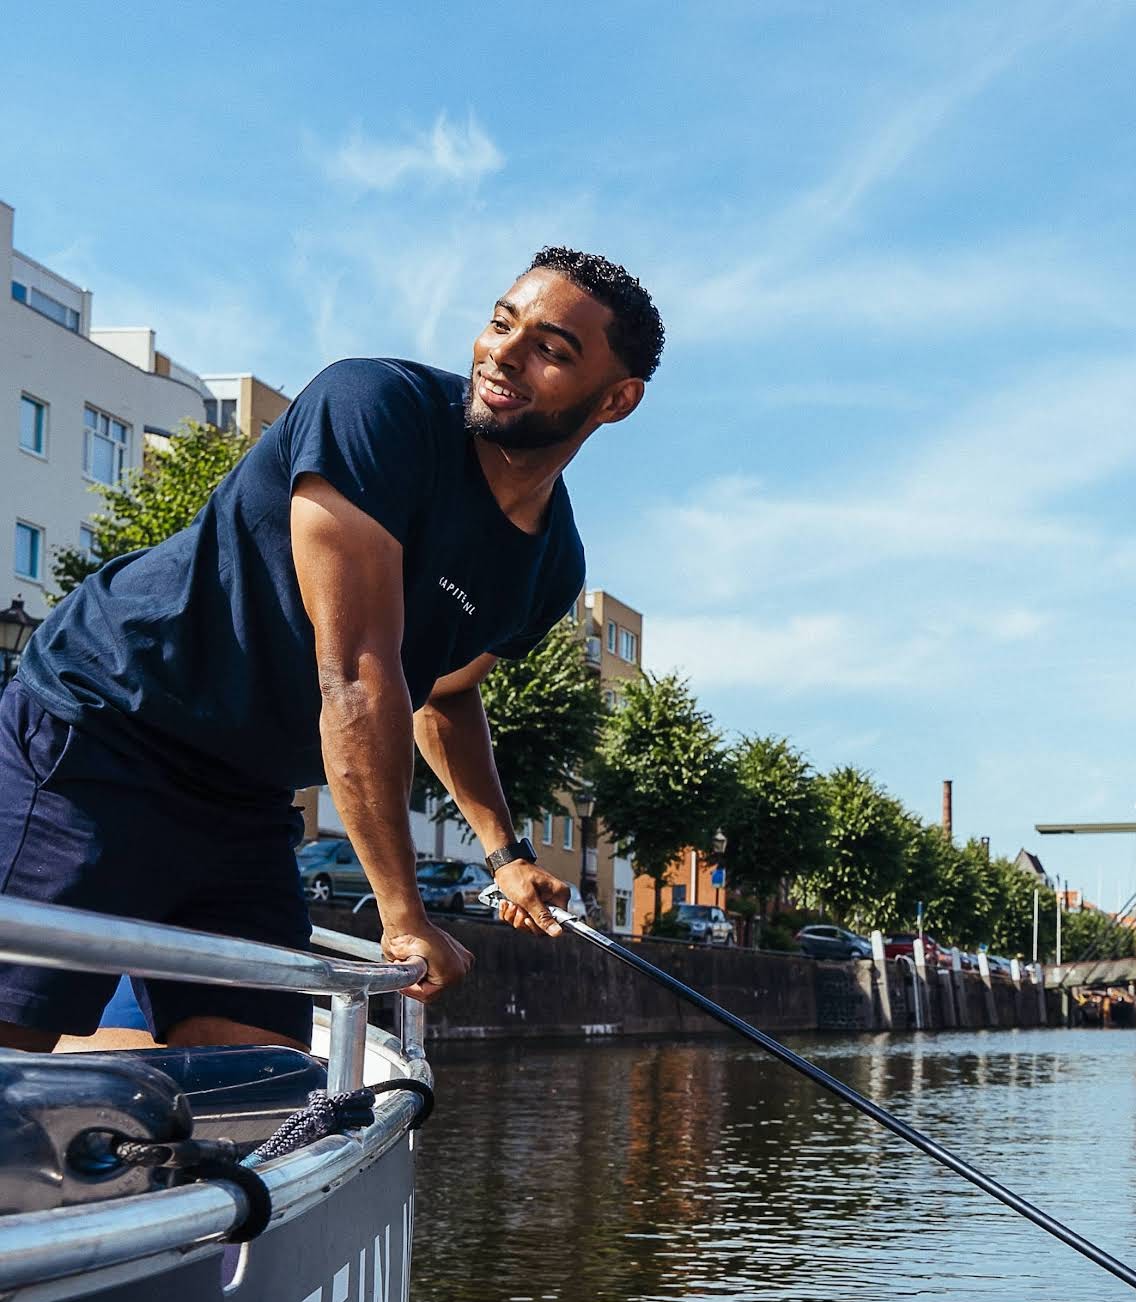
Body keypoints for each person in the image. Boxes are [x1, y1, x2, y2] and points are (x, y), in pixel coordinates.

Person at [0, 247, 662, 1052]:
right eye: (500, 323)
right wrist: (403, 914)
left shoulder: (551, 565)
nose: (504, 355)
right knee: (13, 1052)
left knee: (255, 1088)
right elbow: (356, 676)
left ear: (616, 399)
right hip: (102, 733)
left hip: (242, 801)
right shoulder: (373, 408)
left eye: (552, 351)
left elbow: (445, 694)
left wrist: (507, 853)